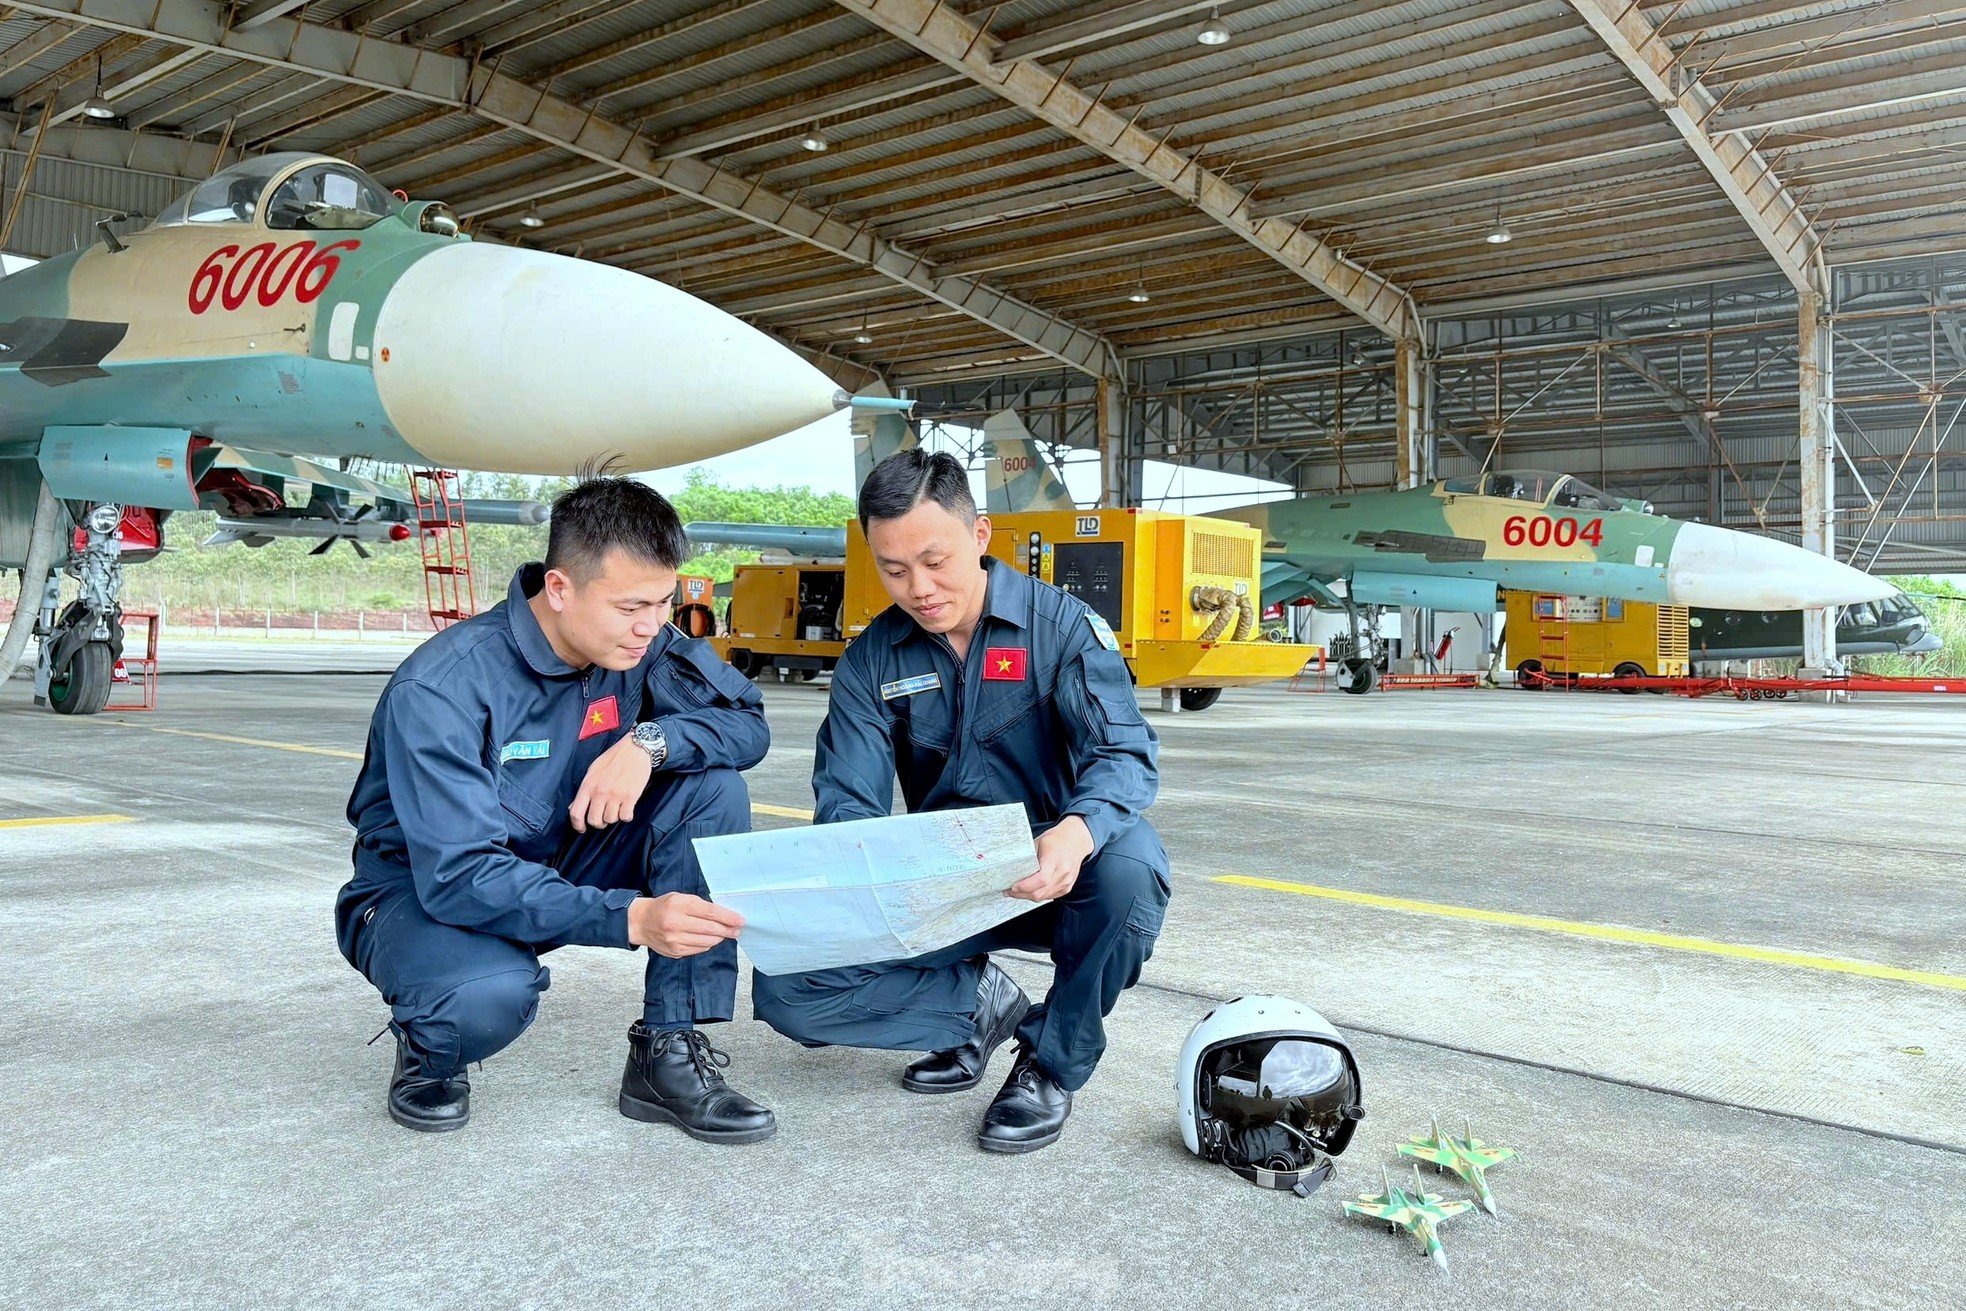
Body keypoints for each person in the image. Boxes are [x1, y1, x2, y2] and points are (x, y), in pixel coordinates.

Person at [752, 450, 1169, 1154]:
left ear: (981, 535)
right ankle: (974, 1006)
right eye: (893, 568)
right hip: (943, 876)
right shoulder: (872, 660)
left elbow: (1123, 754)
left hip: (1056, 869)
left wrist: (1075, 832)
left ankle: (1049, 1062)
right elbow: (847, 806)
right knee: (786, 982)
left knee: (1133, 870)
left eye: (935, 559)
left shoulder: (1059, 628)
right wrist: (842, 884)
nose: (919, 587)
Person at [335, 477, 774, 1141]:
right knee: (482, 999)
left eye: (663, 602)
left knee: (712, 786)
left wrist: (653, 740)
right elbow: (460, 873)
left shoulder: (639, 644)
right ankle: (432, 1044)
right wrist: (630, 917)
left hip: (561, 850)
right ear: (561, 588)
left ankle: (668, 1049)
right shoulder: (444, 686)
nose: (651, 624)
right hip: (423, 888)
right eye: (632, 605)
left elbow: (747, 724)